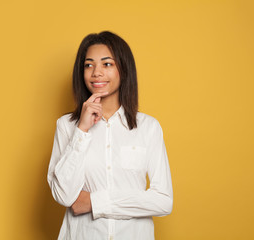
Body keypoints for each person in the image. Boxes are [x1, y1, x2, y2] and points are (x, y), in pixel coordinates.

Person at [47, 31, 173, 240]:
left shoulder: (148, 127)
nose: (96, 72)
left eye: (107, 64)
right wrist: (82, 130)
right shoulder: (66, 126)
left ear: (123, 70)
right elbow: (65, 196)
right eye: (89, 65)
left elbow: (163, 200)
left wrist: (95, 202)